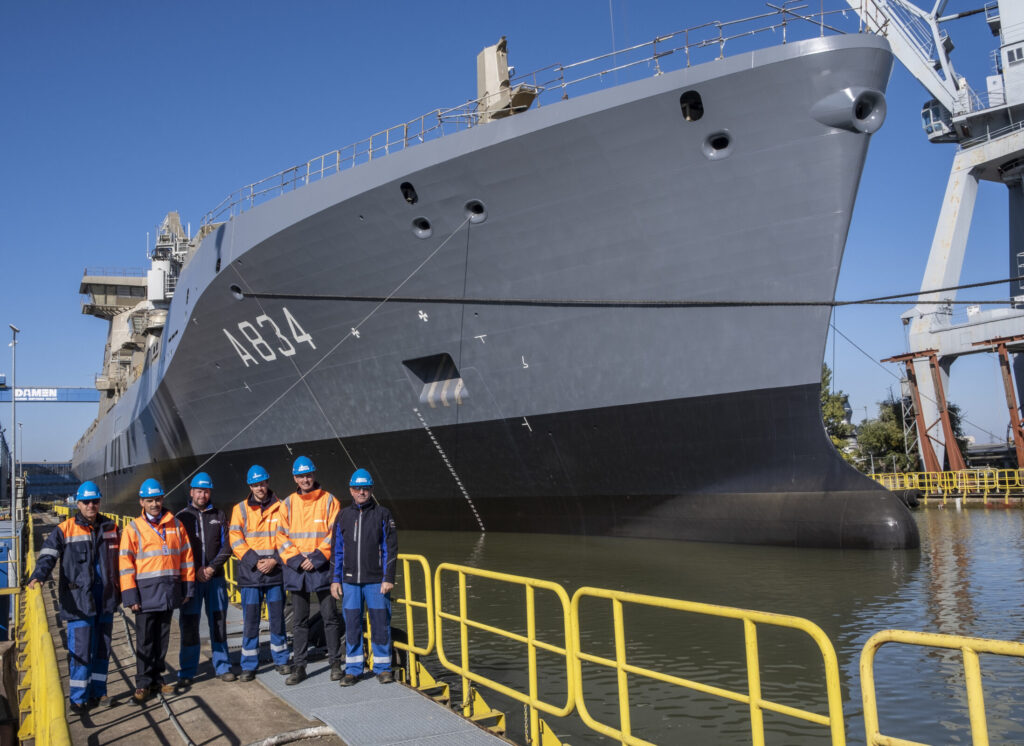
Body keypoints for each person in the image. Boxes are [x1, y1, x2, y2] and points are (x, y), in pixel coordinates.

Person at [28, 481, 120, 713]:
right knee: (80, 651)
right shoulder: (65, 529)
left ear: (100, 502)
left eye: (95, 501)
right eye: (86, 502)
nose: (91, 505)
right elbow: (48, 554)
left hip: (106, 599)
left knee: (102, 649)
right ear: (77, 503)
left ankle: (99, 692)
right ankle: (78, 698)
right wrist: (38, 575)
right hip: (79, 601)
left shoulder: (111, 527)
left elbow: (126, 557)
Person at [119, 478, 195, 704]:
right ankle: (142, 683)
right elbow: (125, 564)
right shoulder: (133, 528)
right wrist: (130, 595)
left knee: (162, 639)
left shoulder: (176, 525)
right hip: (144, 595)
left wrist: (187, 587)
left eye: (158, 499)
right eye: (150, 500)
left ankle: (157, 678)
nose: (155, 504)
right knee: (144, 640)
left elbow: (187, 558)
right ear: (142, 502)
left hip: (169, 592)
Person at [277, 456, 342, 684]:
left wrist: (316, 557)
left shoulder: (329, 501)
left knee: (330, 617)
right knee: (299, 621)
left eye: (308, 475)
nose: (305, 479)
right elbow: (281, 536)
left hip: (321, 568)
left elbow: (335, 533)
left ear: (314, 475)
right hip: (298, 570)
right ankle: (300, 667)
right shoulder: (287, 504)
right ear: (295, 478)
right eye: (301, 476)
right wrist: (296, 559)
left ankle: (335, 664)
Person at [331, 468, 398, 686]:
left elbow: (390, 548)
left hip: (376, 581)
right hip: (350, 582)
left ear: (371, 490)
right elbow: (337, 551)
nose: (362, 492)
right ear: (351, 490)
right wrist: (335, 579)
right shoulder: (343, 516)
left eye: (366, 488)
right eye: (358, 488)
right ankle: (353, 669)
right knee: (352, 625)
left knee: (380, 624)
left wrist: (388, 577)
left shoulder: (383, 514)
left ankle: (382, 667)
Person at [228, 465, 291, 681]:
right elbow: (235, 539)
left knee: (277, 619)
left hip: (275, 574)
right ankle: (249, 665)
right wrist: (256, 561)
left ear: (268, 482)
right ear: (250, 486)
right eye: (255, 484)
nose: (260, 488)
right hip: (250, 576)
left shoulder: (282, 507)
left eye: (262, 483)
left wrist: (274, 560)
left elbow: (286, 537)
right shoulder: (240, 509)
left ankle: (281, 660)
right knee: (251, 621)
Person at [175, 472, 235, 687]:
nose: (203, 494)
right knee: (189, 625)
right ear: (192, 492)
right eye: (199, 491)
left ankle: (223, 666)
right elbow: (178, 550)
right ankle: (187, 671)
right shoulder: (182, 517)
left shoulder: (219, 515)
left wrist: (211, 568)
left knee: (218, 623)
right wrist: (194, 572)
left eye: (206, 490)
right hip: (191, 582)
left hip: (215, 579)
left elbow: (228, 546)